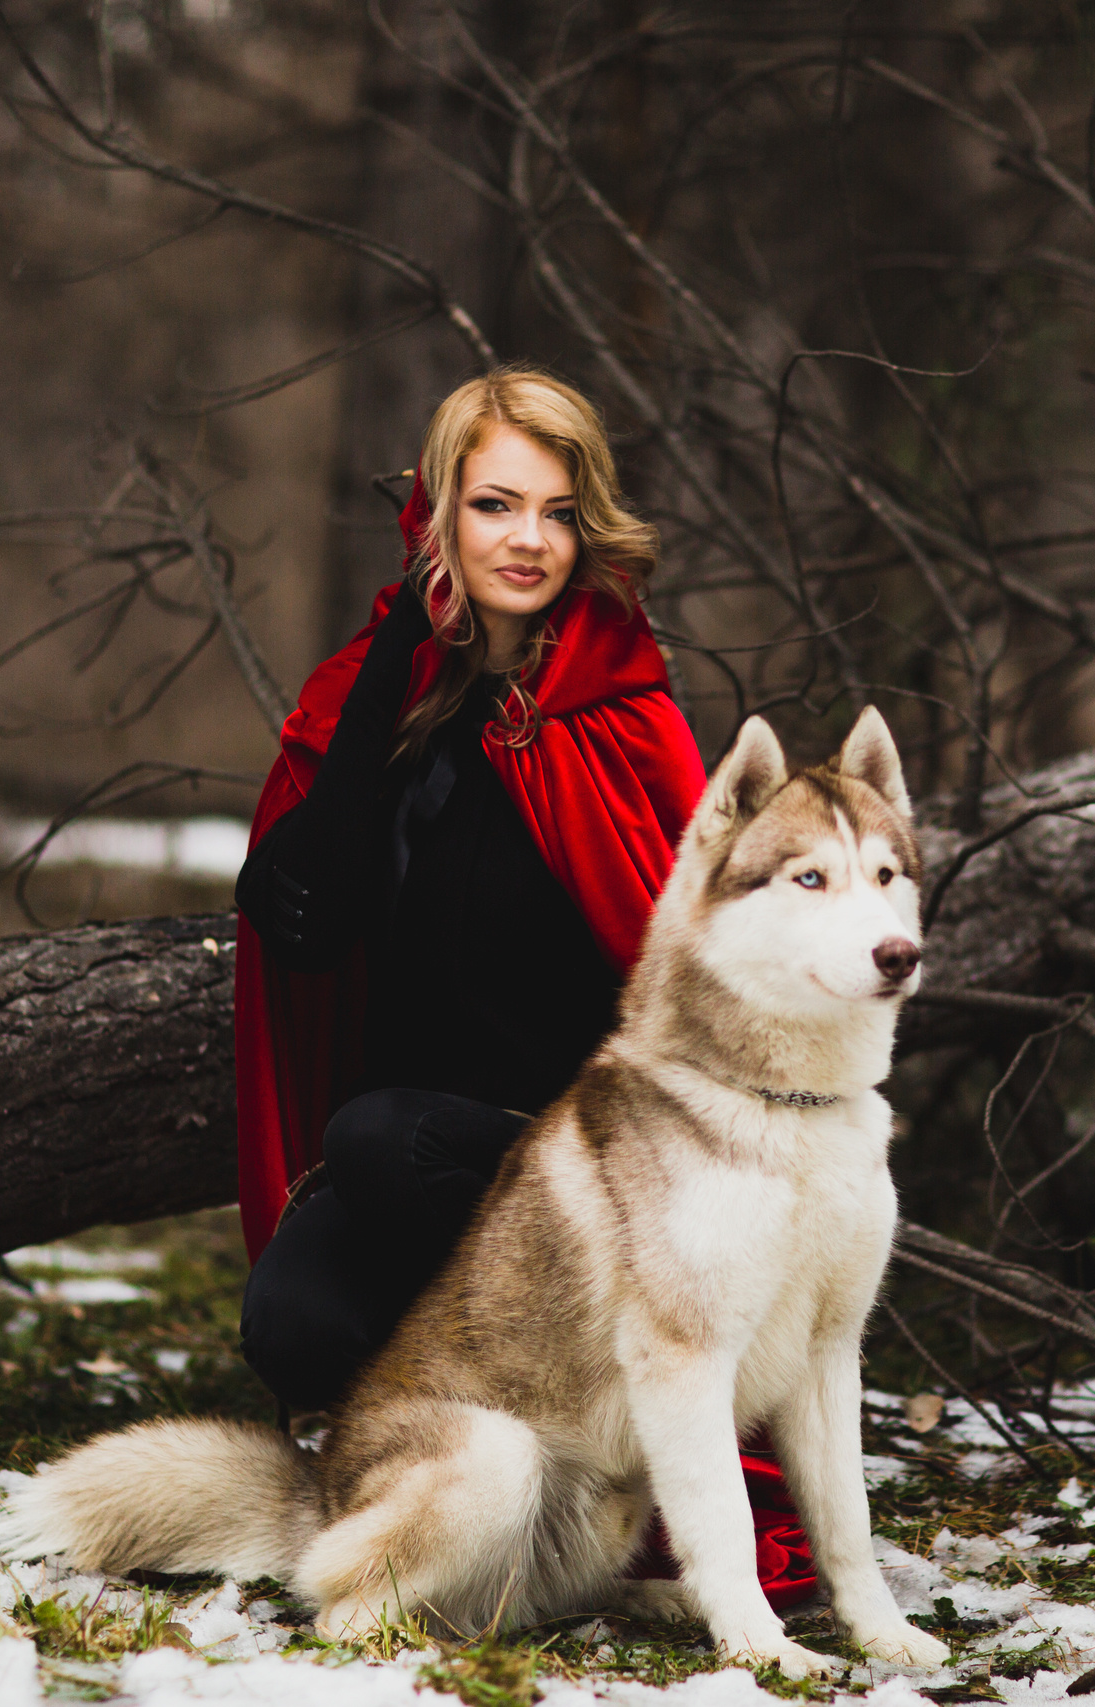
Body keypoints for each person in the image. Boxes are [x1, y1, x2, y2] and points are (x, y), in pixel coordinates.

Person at [229, 365, 814, 1608]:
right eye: (496, 505)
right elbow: (303, 927)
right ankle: (479, 1488)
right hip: (423, 1188)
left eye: (556, 512)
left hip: (604, 1187)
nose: (529, 541)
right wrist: (397, 659)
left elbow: (702, 988)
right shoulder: (370, 698)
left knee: (381, 1135)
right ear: (437, 512)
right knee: (294, 1319)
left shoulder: (622, 715)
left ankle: (609, 1476)